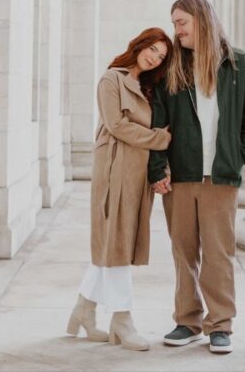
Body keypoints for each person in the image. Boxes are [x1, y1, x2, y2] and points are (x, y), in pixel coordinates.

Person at [148, 0, 245, 355]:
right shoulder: (172, 68)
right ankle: (187, 321)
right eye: (174, 23)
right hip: (180, 176)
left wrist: (238, 156)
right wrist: (158, 168)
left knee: (218, 253)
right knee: (183, 251)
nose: (177, 30)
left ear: (201, 20)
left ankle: (220, 324)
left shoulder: (241, 65)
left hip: (220, 177)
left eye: (181, 22)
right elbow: (158, 121)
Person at [66, 28, 173, 351]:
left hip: (138, 172)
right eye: (152, 49)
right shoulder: (111, 79)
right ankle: (122, 320)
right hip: (114, 170)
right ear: (139, 45)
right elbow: (116, 125)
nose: (154, 57)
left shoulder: (152, 88)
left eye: (161, 55)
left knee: (117, 242)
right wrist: (161, 137)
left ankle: (84, 309)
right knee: (116, 243)